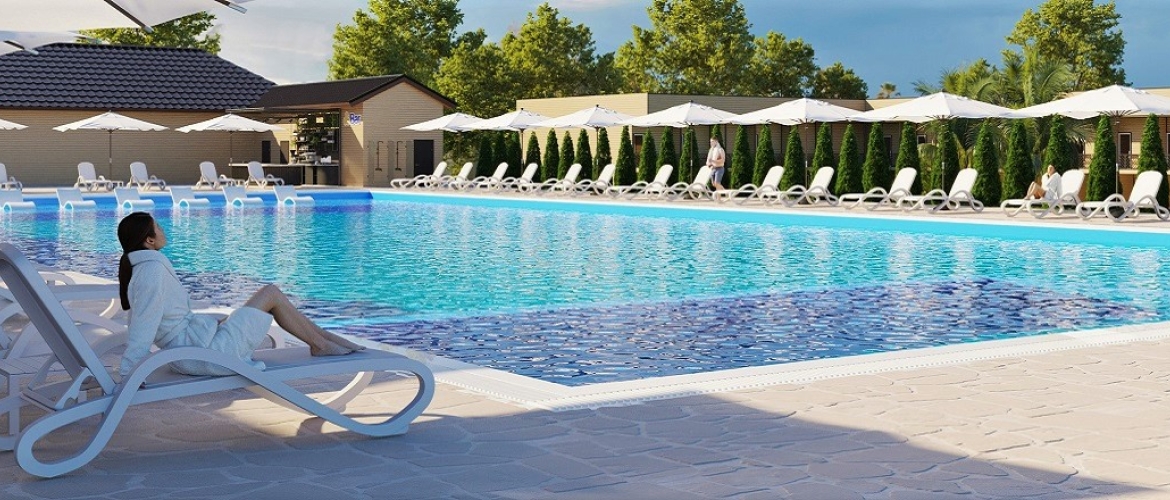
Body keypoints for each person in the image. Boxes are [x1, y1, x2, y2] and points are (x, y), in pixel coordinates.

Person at [117, 212, 364, 379]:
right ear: (149, 240)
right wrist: (130, 371)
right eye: (158, 227)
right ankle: (320, 342)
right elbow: (143, 322)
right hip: (203, 355)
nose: (163, 229)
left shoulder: (149, 267)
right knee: (271, 294)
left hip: (198, 345)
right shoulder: (151, 271)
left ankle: (322, 339)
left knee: (268, 295)